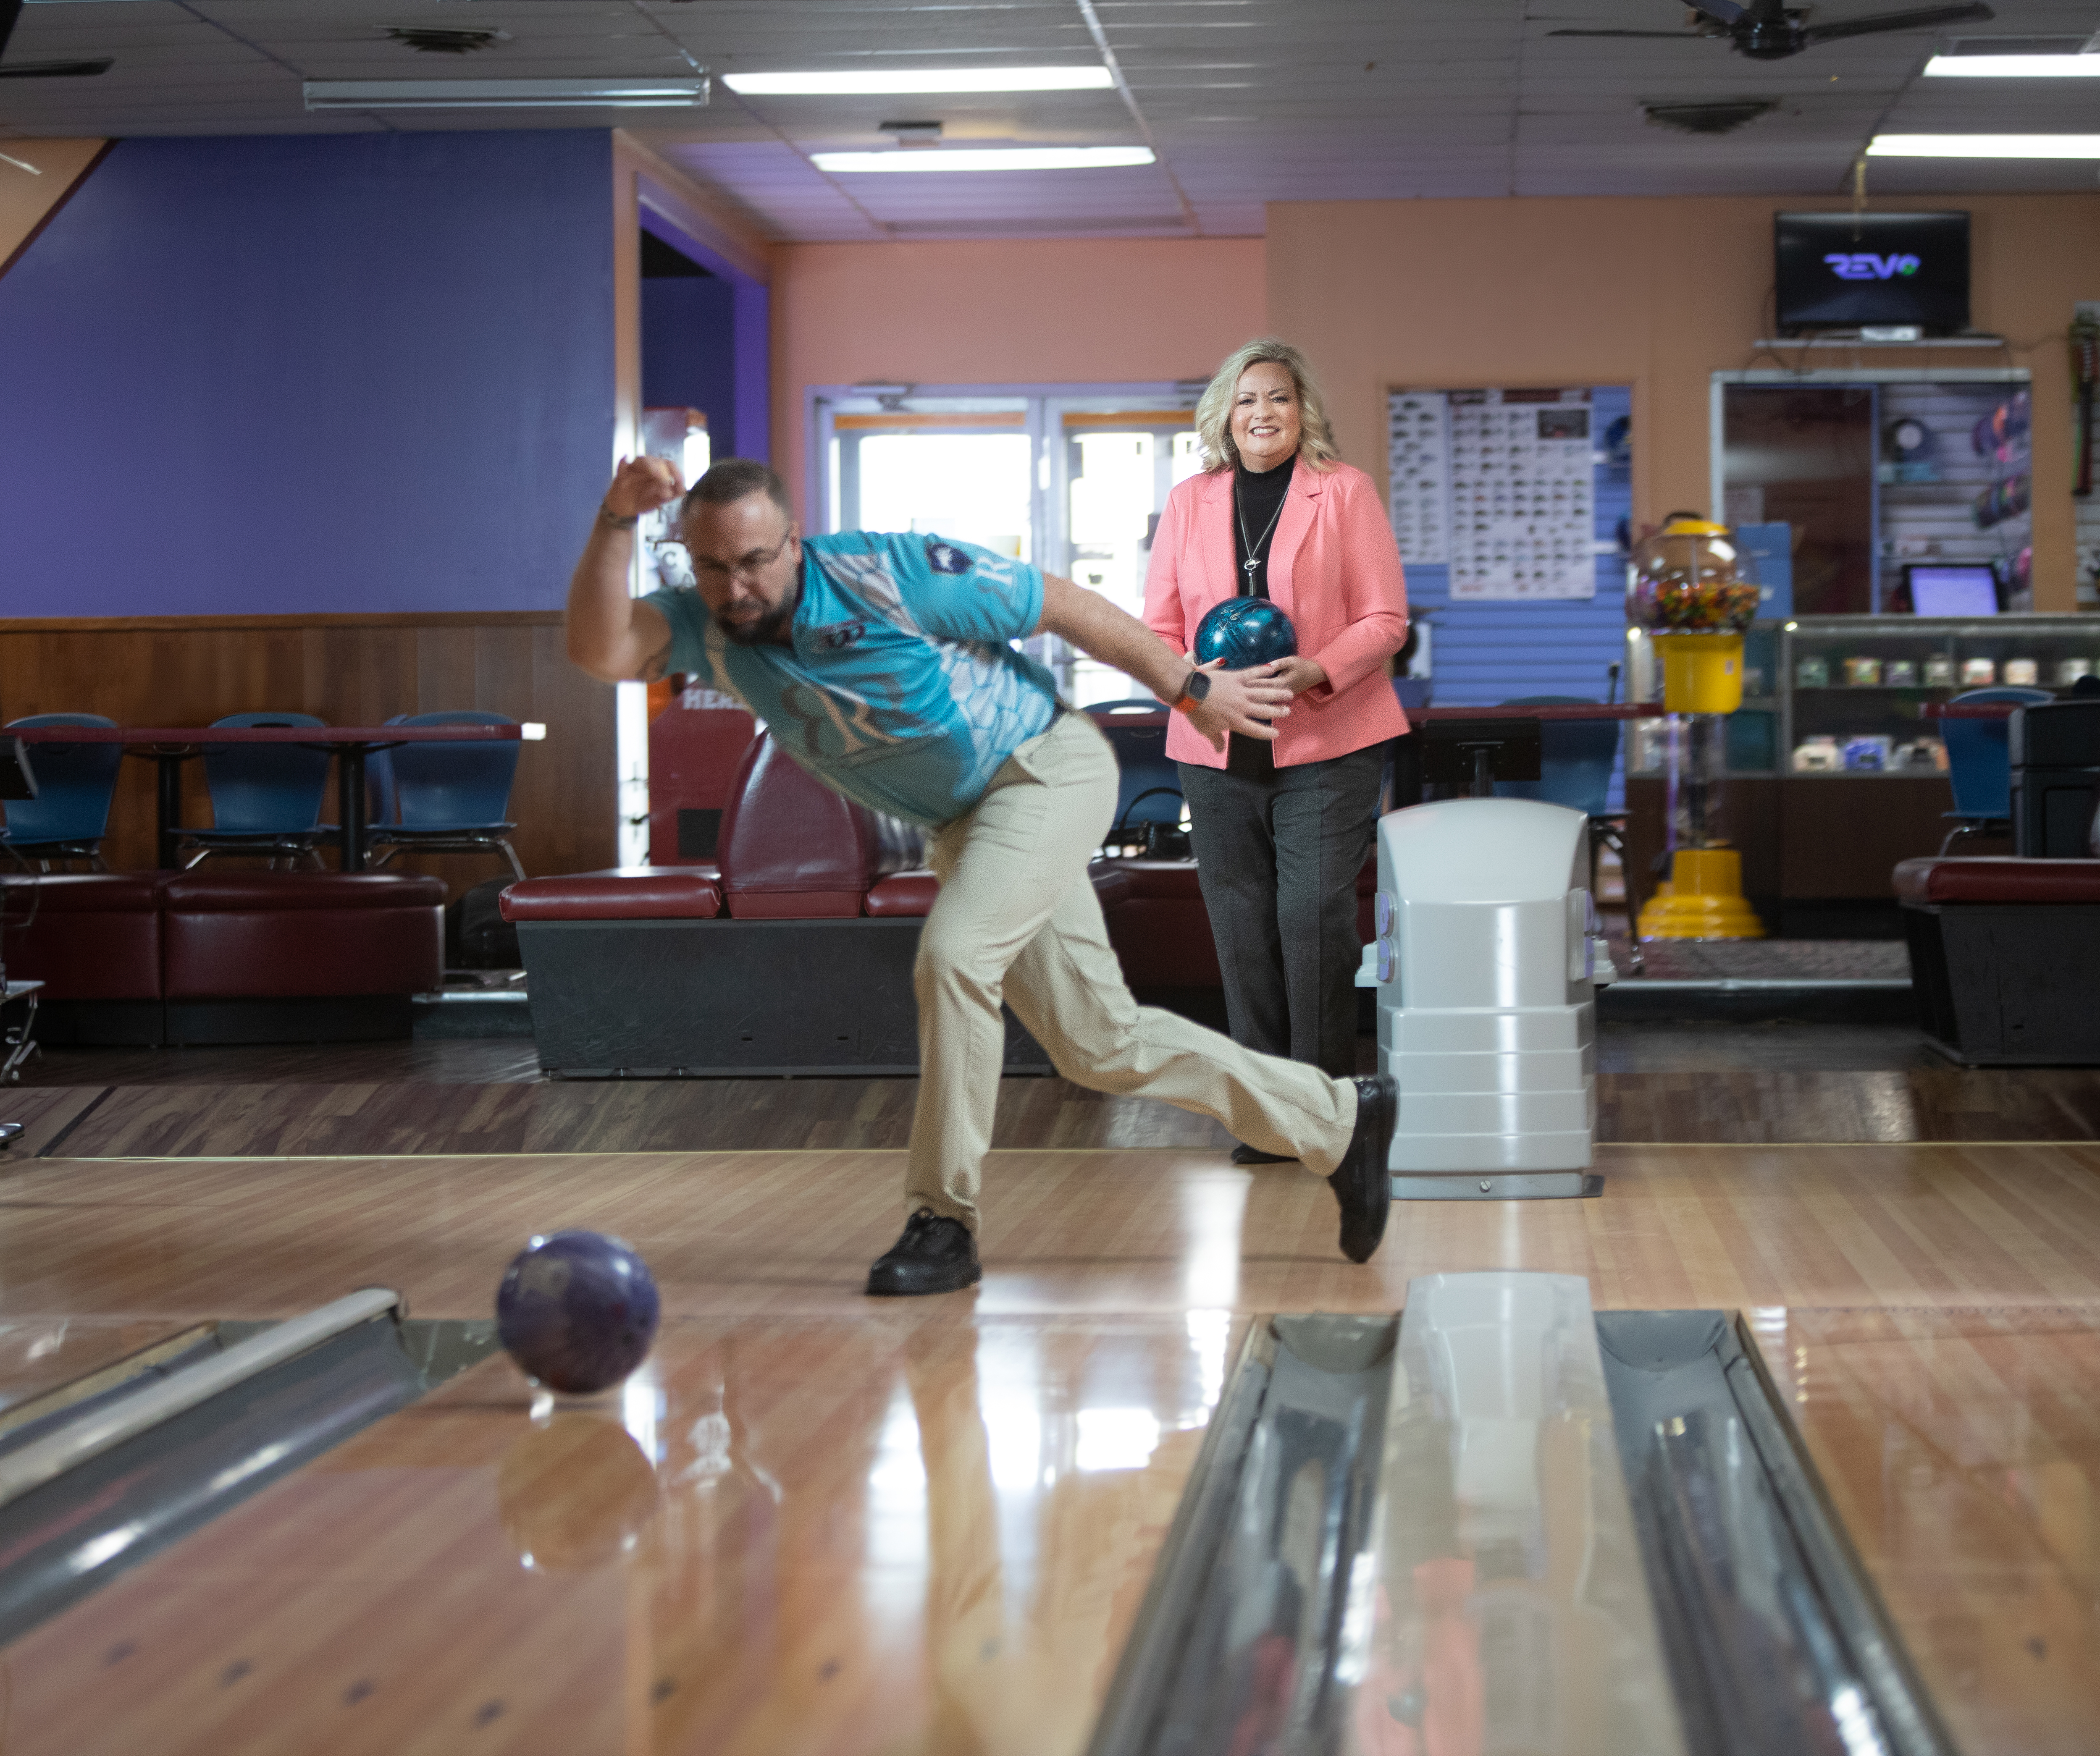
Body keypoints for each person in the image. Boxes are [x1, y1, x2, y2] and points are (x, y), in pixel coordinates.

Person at [565, 455, 1398, 1295]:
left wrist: (1188, 687)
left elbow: (1060, 603)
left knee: (955, 956)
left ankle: (942, 1219)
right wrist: (613, 521)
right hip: (968, 822)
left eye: (752, 563)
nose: (736, 588)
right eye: (712, 568)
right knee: (1099, 1046)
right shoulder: (706, 626)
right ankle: (1339, 1118)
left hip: (1041, 771)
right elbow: (601, 650)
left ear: (792, 542)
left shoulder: (887, 572)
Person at [1143, 340, 1408, 1164]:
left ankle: (1322, 1109)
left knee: (1311, 919)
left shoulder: (1345, 492)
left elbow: (1385, 620)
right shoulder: (1189, 501)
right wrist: (1196, 685)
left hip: (1327, 739)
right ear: (1226, 411)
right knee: (1241, 924)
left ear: (1304, 412)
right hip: (1214, 741)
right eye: (1248, 398)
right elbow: (1156, 632)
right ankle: (1264, 1114)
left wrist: (1319, 668)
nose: (1264, 413)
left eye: (1280, 399)